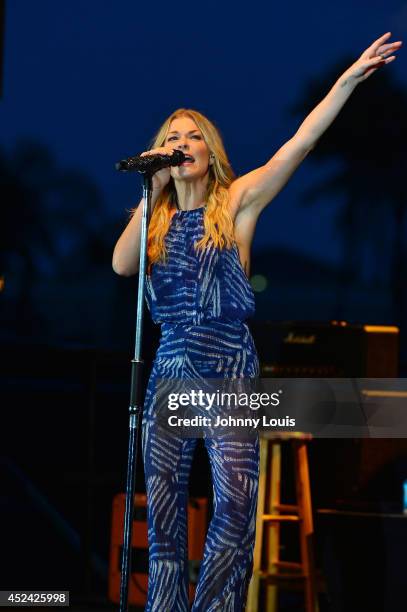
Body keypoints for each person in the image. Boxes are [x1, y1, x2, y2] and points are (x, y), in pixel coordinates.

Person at [112, 32, 401, 611]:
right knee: (165, 512)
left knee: (235, 507)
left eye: (194, 136)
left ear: (211, 150)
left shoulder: (235, 203)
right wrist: (154, 189)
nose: (183, 142)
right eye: (173, 136)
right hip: (171, 367)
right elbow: (121, 264)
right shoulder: (156, 222)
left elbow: (298, 144)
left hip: (229, 371)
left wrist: (346, 81)